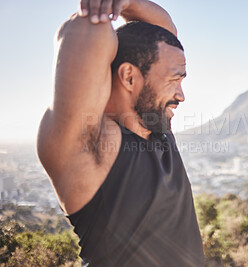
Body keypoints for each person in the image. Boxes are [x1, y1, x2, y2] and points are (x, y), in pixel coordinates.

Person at [36, 0, 205, 266]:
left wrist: (127, 2)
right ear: (129, 77)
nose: (181, 96)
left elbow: (160, 33)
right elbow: (86, 31)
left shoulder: (157, 128)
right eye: (174, 81)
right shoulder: (91, 148)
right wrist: (102, 9)